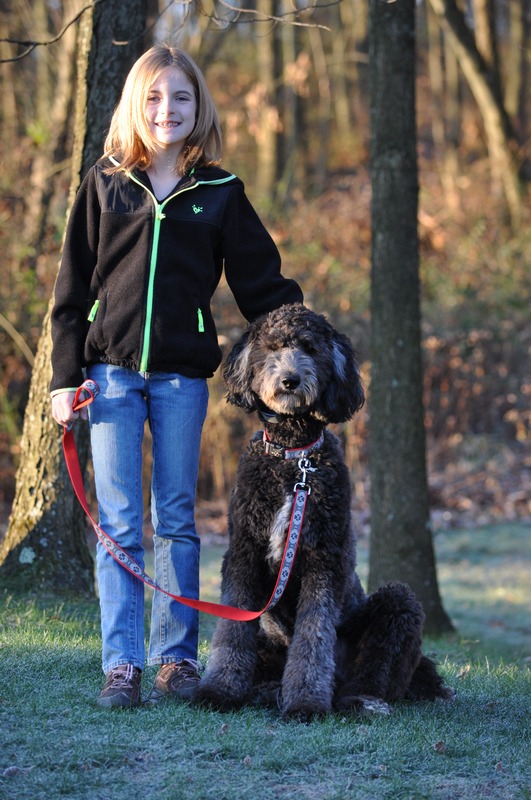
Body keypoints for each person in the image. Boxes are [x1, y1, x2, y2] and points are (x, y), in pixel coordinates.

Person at [50, 43, 303, 709]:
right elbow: (71, 292)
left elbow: (262, 285)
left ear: (199, 109)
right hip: (108, 378)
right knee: (121, 522)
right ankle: (122, 665)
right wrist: (60, 379)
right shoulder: (105, 183)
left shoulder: (219, 193)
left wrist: (299, 337)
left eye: (181, 98)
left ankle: (174, 660)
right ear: (137, 104)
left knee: (178, 519)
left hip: (181, 379)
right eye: (156, 97)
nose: (168, 109)